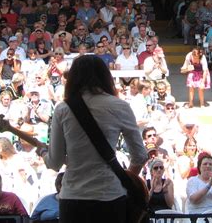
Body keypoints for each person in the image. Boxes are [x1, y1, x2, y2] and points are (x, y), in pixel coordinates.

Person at [39, 55, 148, 223]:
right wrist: (125, 178)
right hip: (110, 195)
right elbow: (140, 155)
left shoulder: (63, 109)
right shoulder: (120, 106)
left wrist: (44, 153)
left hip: (73, 197)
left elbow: (55, 162)